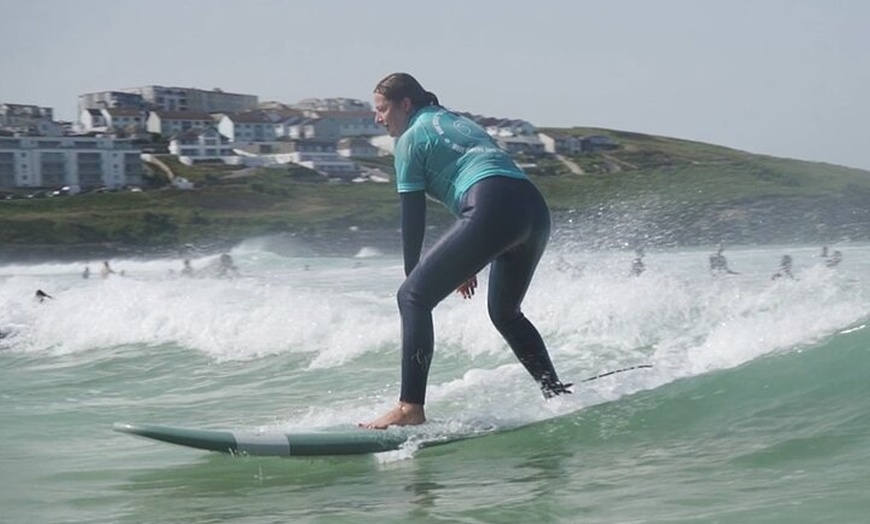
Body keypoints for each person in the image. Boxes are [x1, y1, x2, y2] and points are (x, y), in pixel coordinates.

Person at [361, 72, 571, 429]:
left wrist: (415, 279)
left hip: (492, 209)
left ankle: (410, 408)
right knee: (506, 313)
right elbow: (477, 185)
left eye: (382, 110)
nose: (378, 119)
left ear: (405, 104)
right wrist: (464, 261)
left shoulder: (410, 139)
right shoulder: (455, 121)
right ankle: (556, 394)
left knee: (412, 298)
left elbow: (413, 220)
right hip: (532, 210)